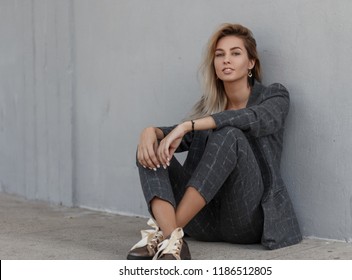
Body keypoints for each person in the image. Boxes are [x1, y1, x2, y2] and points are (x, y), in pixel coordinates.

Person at [127, 23, 302, 260]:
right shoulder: (208, 107)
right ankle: (173, 238)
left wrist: (191, 124)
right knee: (150, 149)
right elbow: (179, 137)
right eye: (220, 55)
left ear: (251, 63)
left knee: (229, 134)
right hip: (200, 221)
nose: (226, 60)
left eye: (235, 53)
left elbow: (252, 118)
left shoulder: (274, 96)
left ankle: (165, 236)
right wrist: (151, 132)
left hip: (245, 220)